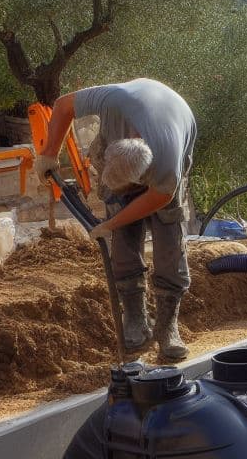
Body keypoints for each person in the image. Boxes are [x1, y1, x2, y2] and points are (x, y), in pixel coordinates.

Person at [32, 78, 197, 361]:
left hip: (172, 135)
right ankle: (135, 320)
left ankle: (167, 328)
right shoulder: (114, 98)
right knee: (122, 241)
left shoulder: (167, 167)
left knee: (169, 243)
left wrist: (110, 224)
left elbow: (157, 198)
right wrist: (49, 153)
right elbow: (62, 107)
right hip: (125, 134)